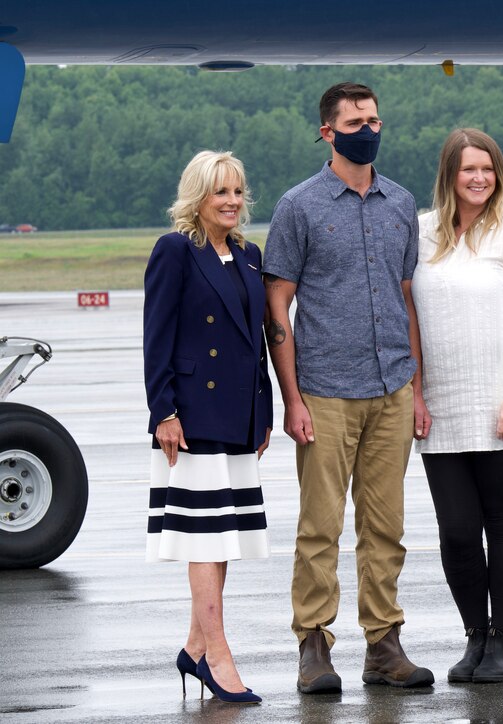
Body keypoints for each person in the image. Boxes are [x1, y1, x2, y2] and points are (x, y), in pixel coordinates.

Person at [263, 82, 434, 691]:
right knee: (320, 528)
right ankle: (313, 644)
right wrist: (292, 397)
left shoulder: (400, 203)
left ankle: (384, 644)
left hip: (391, 388)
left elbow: (407, 298)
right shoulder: (299, 206)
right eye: (356, 120)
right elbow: (277, 304)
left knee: (385, 526)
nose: (370, 128)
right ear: (328, 132)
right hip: (326, 392)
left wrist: (415, 387)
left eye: (376, 119)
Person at [412, 128, 503, 683]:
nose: (478, 178)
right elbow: (411, 320)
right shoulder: (421, 230)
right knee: (458, 532)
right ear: (449, 173)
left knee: (502, 523)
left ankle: (502, 641)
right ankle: (474, 634)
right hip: (441, 407)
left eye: (487, 168)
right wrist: (416, 392)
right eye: (468, 168)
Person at [143, 150, 272, 705]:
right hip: (192, 418)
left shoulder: (248, 255)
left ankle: (195, 648)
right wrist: (164, 411)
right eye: (221, 192)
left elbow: (256, 340)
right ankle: (219, 657)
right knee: (204, 539)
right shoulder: (175, 250)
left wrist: (262, 411)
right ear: (197, 196)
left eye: (238, 192)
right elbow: (157, 336)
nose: (232, 202)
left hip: (239, 416)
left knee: (225, 539)